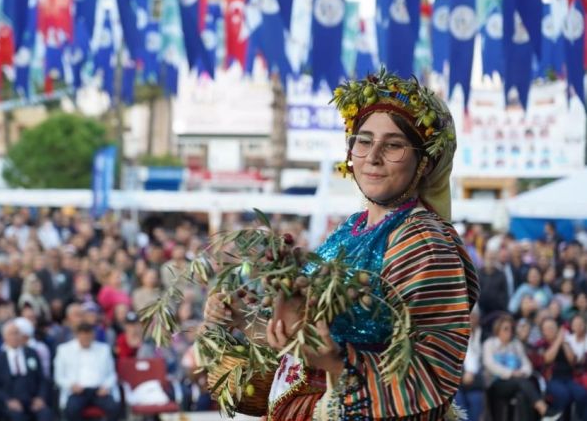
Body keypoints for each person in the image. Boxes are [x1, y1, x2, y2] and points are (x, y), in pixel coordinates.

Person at [204, 69, 480, 419]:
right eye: (363, 141)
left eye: (393, 145)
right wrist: (245, 320)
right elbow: (304, 341)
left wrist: (335, 361)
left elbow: (431, 369)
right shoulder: (351, 227)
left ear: (424, 162)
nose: (373, 156)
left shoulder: (423, 240)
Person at [482, 314, 559, 421]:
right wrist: (512, 373)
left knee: (522, 395)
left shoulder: (516, 344)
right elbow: (489, 364)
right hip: (496, 383)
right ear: (498, 330)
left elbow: (527, 365)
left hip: (518, 383)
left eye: (511, 329)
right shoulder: (489, 344)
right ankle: (544, 409)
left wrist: (521, 372)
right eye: (505, 329)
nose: (509, 332)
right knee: (522, 382)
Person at [53, 323, 120, 421]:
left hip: (99, 390)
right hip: (77, 391)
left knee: (114, 408)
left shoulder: (104, 349)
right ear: (77, 335)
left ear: (93, 335)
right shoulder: (64, 350)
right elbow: (58, 377)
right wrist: (71, 385)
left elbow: (112, 374)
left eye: (88, 338)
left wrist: (106, 386)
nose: (86, 341)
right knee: (71, 409)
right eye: (83, 338)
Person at [0, 320, 51, 421]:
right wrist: (8, 400)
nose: (15, 336)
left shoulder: (32, 354)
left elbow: (42, 379)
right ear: (4, 338)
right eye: (11, 334)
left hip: (32, 399)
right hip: (11, 400)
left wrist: (40, 397)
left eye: (17, 333)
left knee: (45, 415)